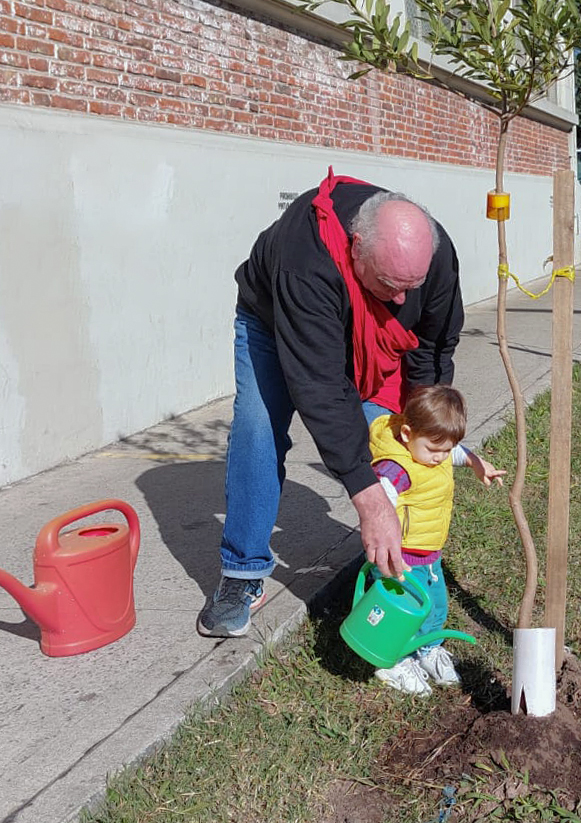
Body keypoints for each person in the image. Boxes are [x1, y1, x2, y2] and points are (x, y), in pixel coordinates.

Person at [197, 168, 464, 638]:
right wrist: (370, 499)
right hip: (273, 319)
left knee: (391, 435)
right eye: (390, 284)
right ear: (355, 246)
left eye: (412, 286)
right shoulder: (305, 260)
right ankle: (242, 573)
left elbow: (433, 345)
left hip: (353, 326)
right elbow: (320, 387)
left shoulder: (432, 256)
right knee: (259, 429)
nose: (403, 299)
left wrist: (425, 425)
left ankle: (393, 563)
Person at [369, 385, 505, 696]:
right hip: (399, 556)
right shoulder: (395, 470)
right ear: (406, 434)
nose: (441, 457)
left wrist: (476, 462)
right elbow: (379, 512)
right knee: (400, 611)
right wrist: (388, 556)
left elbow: (456, 451)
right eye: (435, 449)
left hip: (429, 553)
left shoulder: (434, 450)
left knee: (434, 606)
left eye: (447, 449)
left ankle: (427, 649)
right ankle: (394, 660)